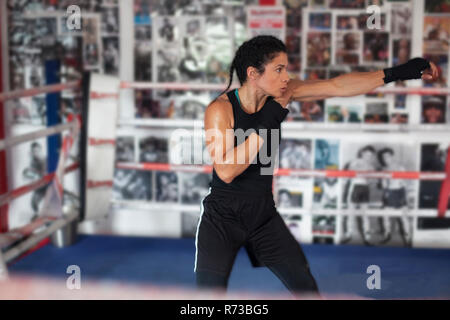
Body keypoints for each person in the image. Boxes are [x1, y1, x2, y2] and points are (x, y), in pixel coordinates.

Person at [197, 35, 438, 297]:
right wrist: (270, 117)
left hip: (262, 216)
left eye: (286, 68)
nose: (287, 77)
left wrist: (400, 72)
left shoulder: (279, 94)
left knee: (306, 289)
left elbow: (337, 86)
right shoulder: (221, 109)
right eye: (279, 70)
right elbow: (226, 171)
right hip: (222, 219)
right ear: (253, 74)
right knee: (208, 300)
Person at [377, 148, 412, 246]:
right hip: (390, 192)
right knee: (385, 214)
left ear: (392, 156)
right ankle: (387, 235)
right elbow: (384, 186)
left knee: (403, 217)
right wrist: (382, 181)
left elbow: (405, 184)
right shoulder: (384, 170)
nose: (385, 159)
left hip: (400, 192)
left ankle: (408, 238)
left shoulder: (400, 168)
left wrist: (407, 198)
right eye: (383, 157)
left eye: (387, 156)